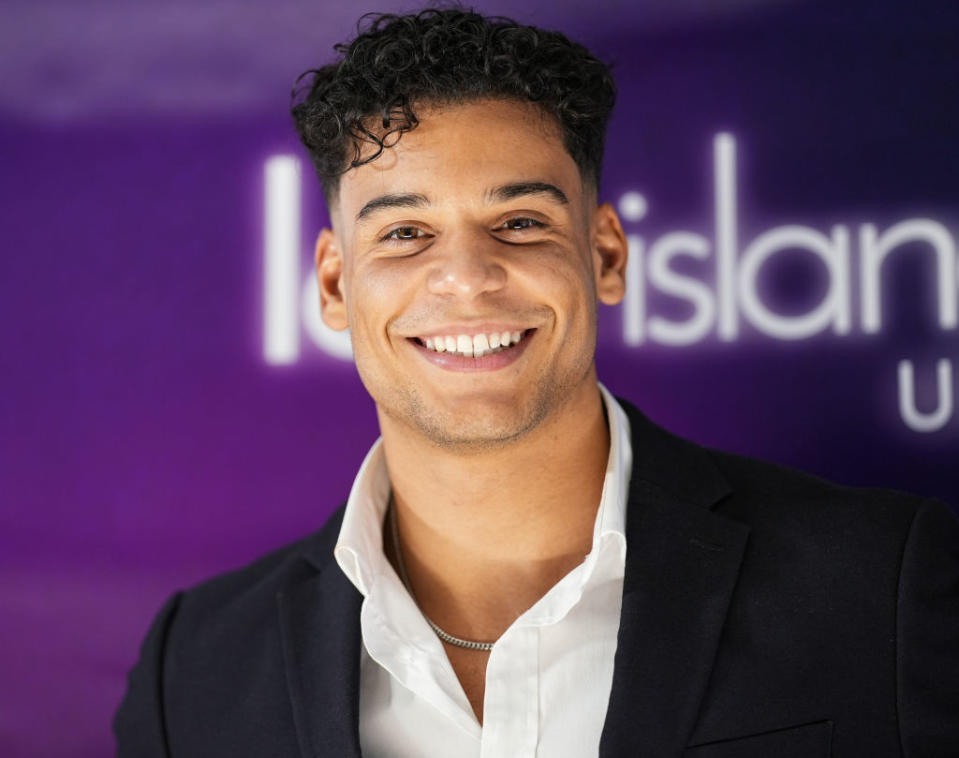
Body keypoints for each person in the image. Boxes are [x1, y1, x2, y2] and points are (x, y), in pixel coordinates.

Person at [114, 8, 959, 757]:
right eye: (406, 233)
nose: (467, 277)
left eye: (519, 222)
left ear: (605, 255)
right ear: (335, 286)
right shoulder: (196, 666)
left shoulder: (879, 588)